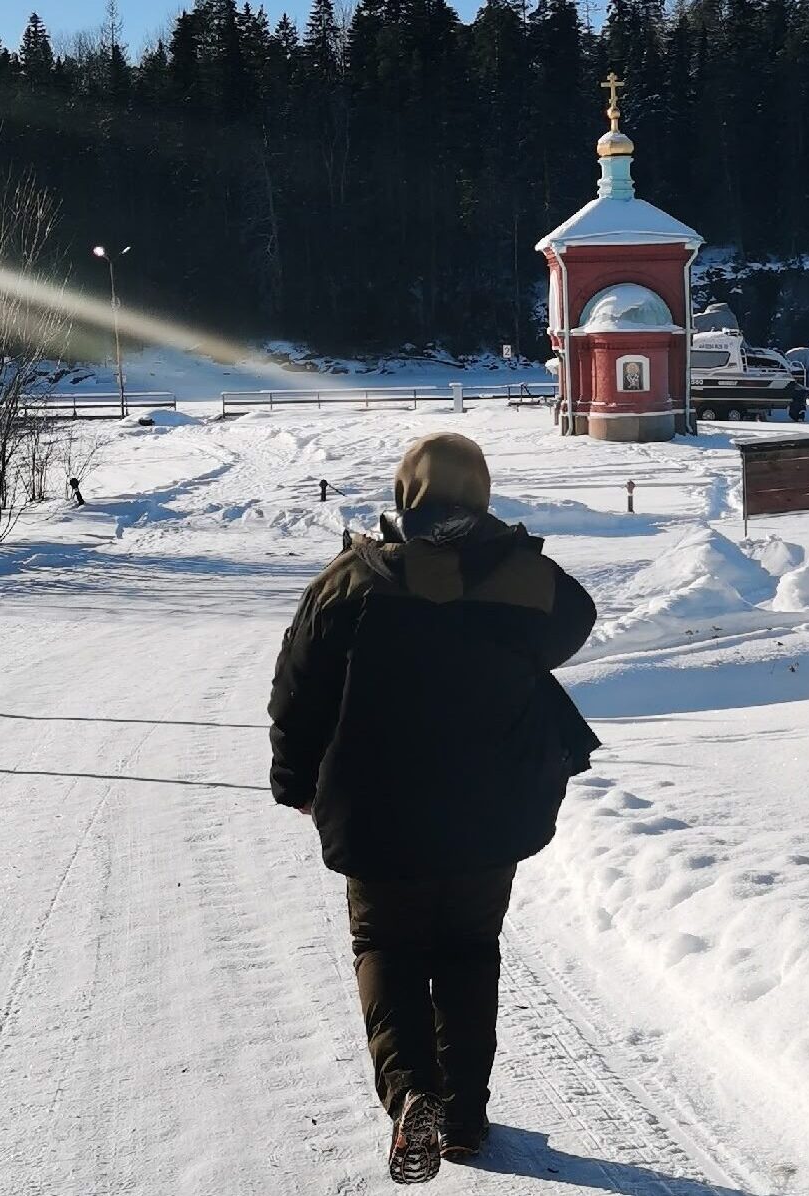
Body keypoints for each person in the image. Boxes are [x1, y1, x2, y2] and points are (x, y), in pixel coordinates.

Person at [268, 432, 599, 1184]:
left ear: (404, 491)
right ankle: (466, 1119)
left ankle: (413, 1091)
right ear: (480, 491)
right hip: (489, 812)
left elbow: (298, 687)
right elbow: (574, 621)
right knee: (467, 952)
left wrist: (294, 779)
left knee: (386, 945)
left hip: (377, 804)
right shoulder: (525, 577)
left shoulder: (354, 578)